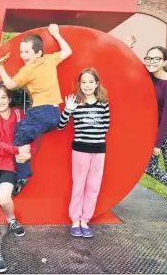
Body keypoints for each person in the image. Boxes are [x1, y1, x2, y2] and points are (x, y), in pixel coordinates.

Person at [0, 24, 72, 195]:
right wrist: (56, 34)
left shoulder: (27, 70)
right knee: (19, 135)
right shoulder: (50, 59)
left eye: (26, 52)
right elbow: (68, 51)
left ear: (38, 53)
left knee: (17, 139)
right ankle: (25, 155)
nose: (23, 56)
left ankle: (22, 175)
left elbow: (9, 85)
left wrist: (0, 66)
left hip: (41, 113)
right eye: (21, 52)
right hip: (53, 114)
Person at [0, 82, 34, 273]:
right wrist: (17, 150)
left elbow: (27, 136)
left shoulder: (18, 114)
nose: (0, 101)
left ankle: (11, 219)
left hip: (9, 163)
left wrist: (27, 152)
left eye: (3, 97)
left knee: (4, 198)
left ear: (9, 99)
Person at [58, 68, 110, 238]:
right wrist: (68, 109)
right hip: (80, 150)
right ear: (79, 85)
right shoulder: (76, 102)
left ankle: (85, 220)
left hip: (99, 150)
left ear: (97, 84)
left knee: (93, 187)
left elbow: (106, 126)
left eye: (90, 82)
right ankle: (75, 220)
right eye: (84, 82)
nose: (87, 85)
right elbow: (61, 125)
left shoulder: (103, 103)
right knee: (79, 186)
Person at [125, 36, 167, 216]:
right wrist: (128, 48)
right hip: (153, 129)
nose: (151, 62)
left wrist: (158, 144)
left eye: (156, 59)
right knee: (152, 168)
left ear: (165, 61)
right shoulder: (149, 76)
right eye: (149, 58)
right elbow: (133, 67)